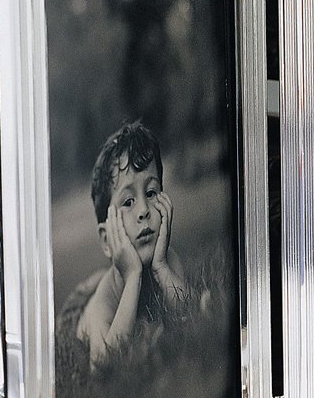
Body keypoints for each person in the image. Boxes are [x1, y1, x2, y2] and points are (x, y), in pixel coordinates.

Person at [62, 119, 212, 366]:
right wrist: (132, 277)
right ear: (107, 239)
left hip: (115, 274)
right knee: (95, 287)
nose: (144, 210)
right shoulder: (103, 303)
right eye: (128, 202)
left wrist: (162, 267)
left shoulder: (165, 260)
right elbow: (102, 365)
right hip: (79, 310)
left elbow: (188, 314)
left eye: (151, 193)